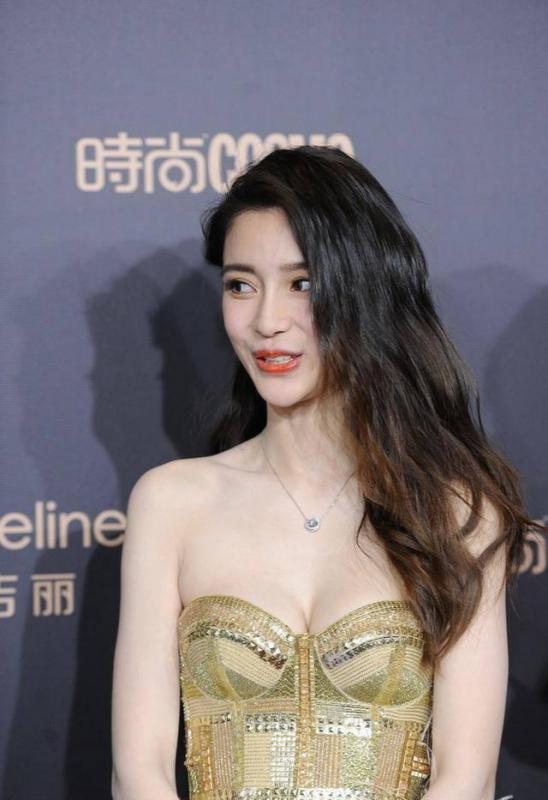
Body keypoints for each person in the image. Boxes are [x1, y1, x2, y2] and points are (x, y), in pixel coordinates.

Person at [111, 145, 543, 800]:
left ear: (365, 291)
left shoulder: (457, 512)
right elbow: (137, 771)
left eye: (302, 283)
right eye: (240, 285)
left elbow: (467, 777)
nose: (266, 322)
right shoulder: (172, 502)